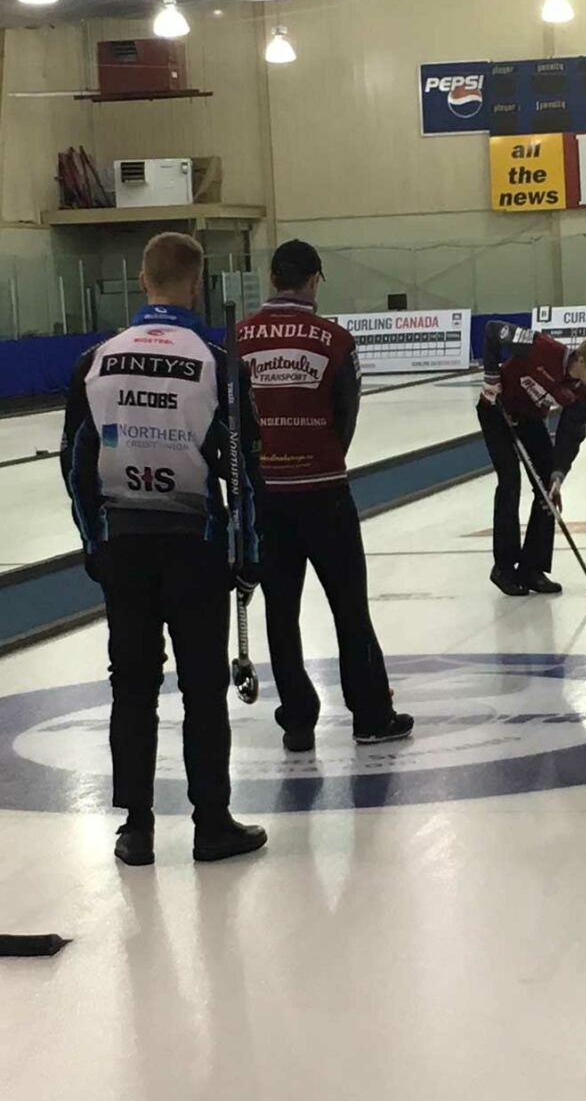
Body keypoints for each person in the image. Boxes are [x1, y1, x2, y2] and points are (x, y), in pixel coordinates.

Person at [60, 232, 268, 867]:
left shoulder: (96, 359)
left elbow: (75, 466)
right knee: (204, 688)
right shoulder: (218, 364)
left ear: (143, 282)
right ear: (197, 284)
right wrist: (248, 555)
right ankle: (211, 824)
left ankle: (137, 829)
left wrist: (93, 542)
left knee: (132, 685)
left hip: (123, 545)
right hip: (197, 545)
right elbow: (247, 473)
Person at [238, 240, 412, 752]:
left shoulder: (239, 338)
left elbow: (230, 419)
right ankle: (370, 715)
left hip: (266, 496)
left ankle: (297, 719)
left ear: (272, 278)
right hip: (324, 492)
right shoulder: (334, 338)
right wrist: (323, 455)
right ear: (314, 280)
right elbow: (347, 413)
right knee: (349, 607)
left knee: (280, 611)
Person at [478, 323, 586, 595]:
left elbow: (571, 433)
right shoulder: (542, 347)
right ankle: (504, 568)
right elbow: (493, 330)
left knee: (547, 492)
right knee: (509, 483)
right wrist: (492, 376)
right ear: (581, 360)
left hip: (530, 419)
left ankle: (532, 569)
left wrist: (559, 473)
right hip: (496, 409)